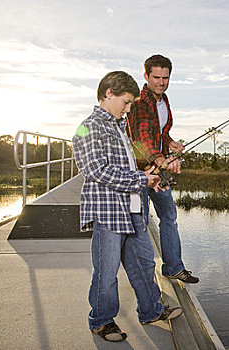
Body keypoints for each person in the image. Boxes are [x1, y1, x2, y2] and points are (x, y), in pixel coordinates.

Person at [72, 71, 182, 342]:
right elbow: (96, 170)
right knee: (107, 272)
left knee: (144, 264)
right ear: (108, 93)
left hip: (133, 207)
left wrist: (150, 179)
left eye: (133, 103)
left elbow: (128, 165)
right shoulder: (88, 127)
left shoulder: (120, 125)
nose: (130, 108)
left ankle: (151, 310)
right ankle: (101, 320)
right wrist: (139, 179)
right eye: (126, 102)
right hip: (109, 212)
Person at [127, 54, 199, 284]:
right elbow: (142, 138)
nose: (161, 82)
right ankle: (145, 283)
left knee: (169, 216)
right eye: (156, 77)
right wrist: (161, 159)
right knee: (138, 225)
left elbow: (160, 134)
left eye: (165, 78)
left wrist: (171, 144)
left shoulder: (163, 101)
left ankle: (173, 267)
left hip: (159, 170)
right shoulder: (139, 102)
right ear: (146, 75)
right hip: (139, 173)